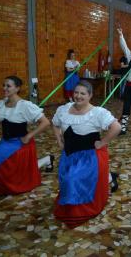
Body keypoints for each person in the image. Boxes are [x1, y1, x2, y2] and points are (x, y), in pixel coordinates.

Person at [52, 80, 121, 228]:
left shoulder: (97, 113)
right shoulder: (64, 109)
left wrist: (102, 142)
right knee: (66, 181)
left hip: (89, 157)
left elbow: (116, 127)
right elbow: (55, 124)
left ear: (90, 95)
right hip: (69, 156)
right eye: (76, 92)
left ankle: (78, 211)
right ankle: (110, 178)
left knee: (72, 179)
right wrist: (59, 140)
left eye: (83, 93)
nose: (78, 96)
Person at [0, 76, 52, 196]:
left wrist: (29, 136)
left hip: (20, 143)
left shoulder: (25, 105)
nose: (5, 88)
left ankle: (2, 188)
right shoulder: (1, 104)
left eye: (8, 86)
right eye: (4, 85)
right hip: (6, 142)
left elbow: (46, 122)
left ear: (17, 88)